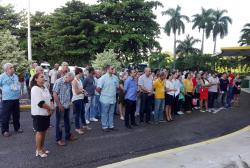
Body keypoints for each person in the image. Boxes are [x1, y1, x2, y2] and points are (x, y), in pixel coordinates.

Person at [30, 73, 53, 158]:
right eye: (41, 77)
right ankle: (38, 150)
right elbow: (40, 103)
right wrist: (50, 108)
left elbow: (50, 98)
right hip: (38, 114)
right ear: (36, 79)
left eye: (44, 77)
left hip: (46, 114)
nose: (44, 78)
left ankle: (42, 148)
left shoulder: (44, 87)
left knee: (44, 131)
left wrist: (51, 107)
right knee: (39, 132)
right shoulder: (35, 89)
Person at [53, 72, 77, 146]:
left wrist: (69, 102)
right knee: (60, 123)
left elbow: (69, 93)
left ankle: (68, 136)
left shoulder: (69, 83)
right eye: (70, 80)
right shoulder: (58, 82)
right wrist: (60, 105)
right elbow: (54, 94)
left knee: (67, 121)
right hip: (60, 106)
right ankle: (59, 139)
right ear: (67, 76)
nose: (71, 82)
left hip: (67, 105)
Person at [0, 63, 23, 137]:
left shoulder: (15, 76)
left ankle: (17, 128)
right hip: (7, 99)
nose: (13, 68)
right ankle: (5, 130)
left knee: (16, 115)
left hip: (16, 98)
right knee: (6, 115)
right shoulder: (2, 76)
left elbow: (17, 84)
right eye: (11, 67)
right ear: (6, 69)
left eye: (13, 67)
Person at [97, 65, 119, 132]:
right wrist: (103, 94)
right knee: (104, 113)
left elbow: (117, 87)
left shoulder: (115, 77)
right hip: (105, 99)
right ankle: (104, 126)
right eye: (112, 69)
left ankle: (111, 126)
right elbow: (98, 89)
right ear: (107, 70)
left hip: (113, 99)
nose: (113, 70)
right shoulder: (103, 78)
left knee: (111, 113)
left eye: (113, 68)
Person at [72, 67, 90, 135]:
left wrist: (84, 91)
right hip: (76, 99)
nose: (83, 74)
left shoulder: (79, 80)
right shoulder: (74, 80)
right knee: (77, 114)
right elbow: (76, 92)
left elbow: (81, 89)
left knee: (82, 112)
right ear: (79, 73)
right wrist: (83, 92)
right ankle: (77, 128)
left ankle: (84, 125)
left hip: (81, 98)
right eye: (82, 72)